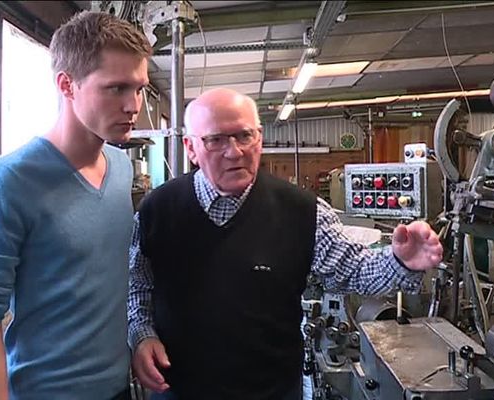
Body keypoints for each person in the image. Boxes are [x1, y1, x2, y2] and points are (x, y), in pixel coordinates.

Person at [128, 88, 443, 400]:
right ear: (191, 148)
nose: (234, 151)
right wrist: (142, 335)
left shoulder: (302, 211)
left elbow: (353, 269)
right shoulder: (157, 211)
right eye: (216, 139)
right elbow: (138, 285)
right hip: (179, 389)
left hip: (271, 389)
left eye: (244, 136)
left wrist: (401, 261)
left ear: (260, 138)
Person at [0, 11, 152, 400]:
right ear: (67, 85)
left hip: (119, 389)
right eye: (115, 88)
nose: (134, 105)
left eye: (140, 88)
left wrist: (138, 339)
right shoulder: (7, 184)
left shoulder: (119, 169)